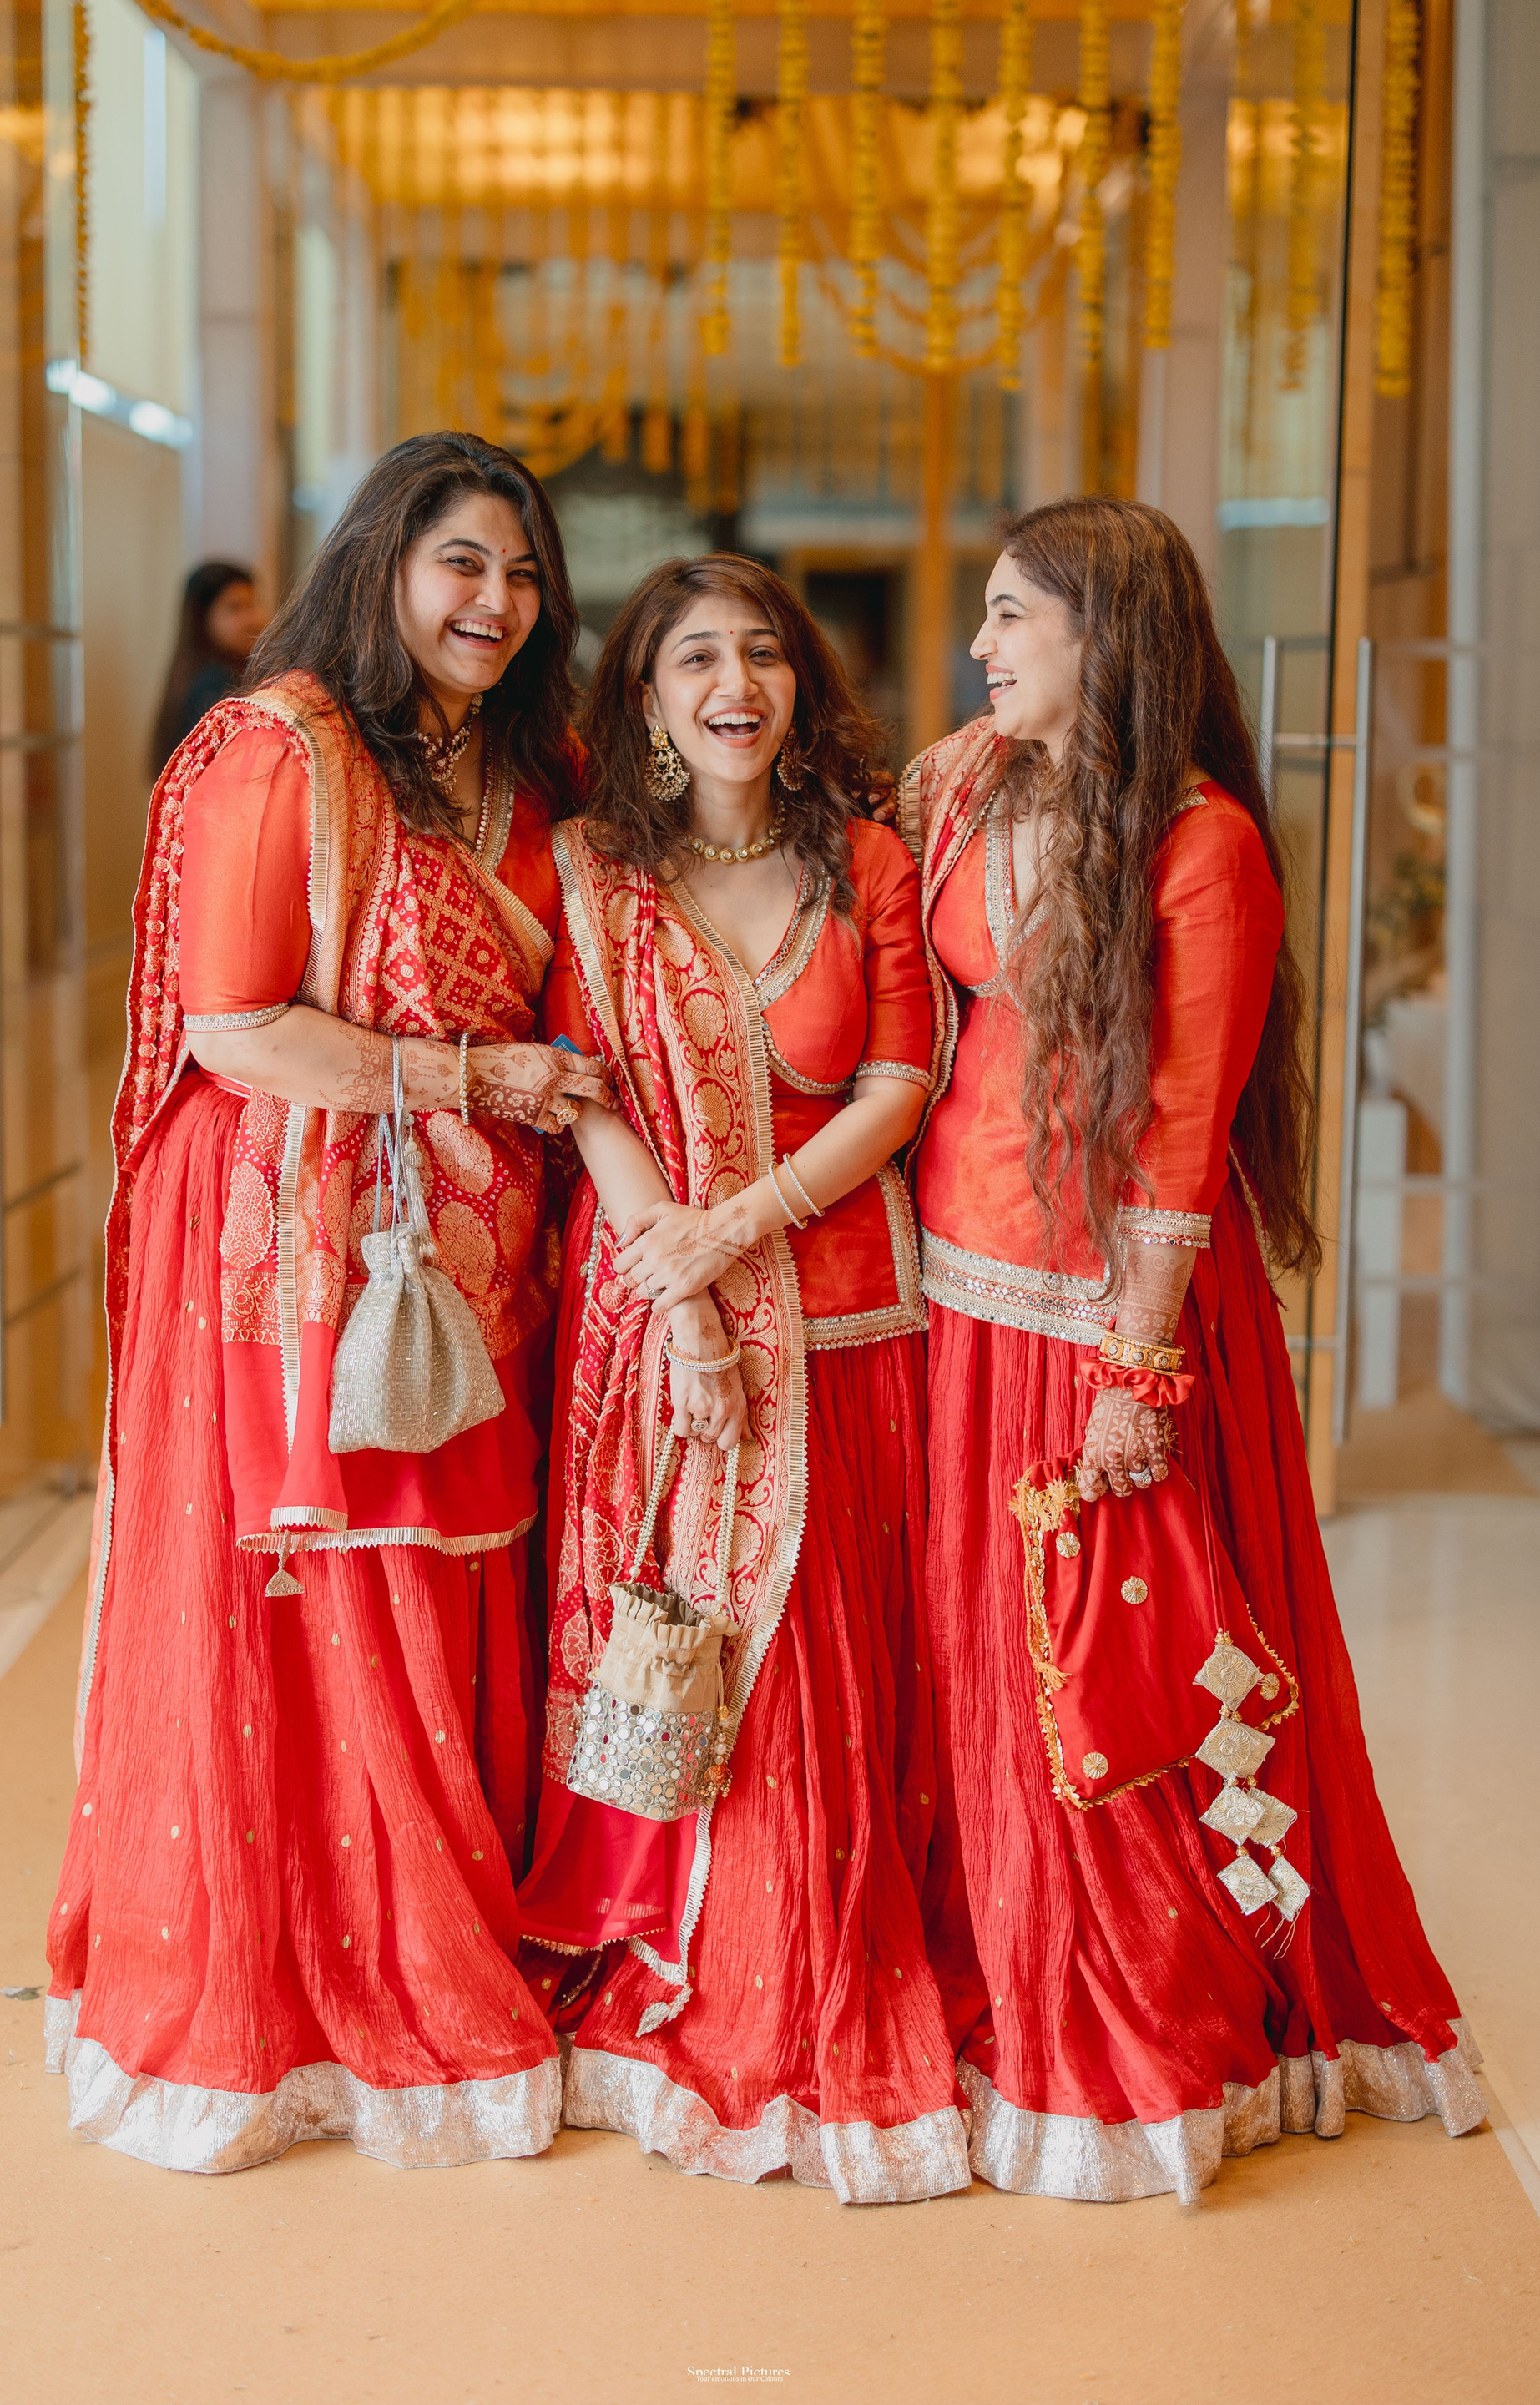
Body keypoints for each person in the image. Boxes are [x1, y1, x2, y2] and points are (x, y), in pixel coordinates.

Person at [45, 432, 613, 2173]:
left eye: (524, 573)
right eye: (463, 562)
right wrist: (474, 1079)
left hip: (478, 1236)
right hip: (292, 1230)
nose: (497, 601)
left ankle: (448, 1924)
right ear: (382, 561)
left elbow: (672, 823)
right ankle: (315, 1983)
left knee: (454, 1581)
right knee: (334, 1596)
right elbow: (236, 1028)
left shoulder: (540, 764)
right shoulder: (282, 745)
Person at [908, 497, 1481, 2205]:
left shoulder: (1201, 841)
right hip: (954, 1294)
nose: (981, 646)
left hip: (1101, 1317)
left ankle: (1132, 2028)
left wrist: (1134, 1372)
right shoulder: (972, 786)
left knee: (1114, 1673)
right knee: (980, 1666)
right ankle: (1001, 1967)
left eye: (1012, 615)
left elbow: (1178, 1134)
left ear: (1107, 634)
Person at [516, 556, 970, 2204]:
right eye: (696, 656)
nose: (736, 682)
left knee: (829, 1659)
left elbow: (900, 1085)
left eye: (764, 652)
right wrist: (687, 1286)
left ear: (801, 685)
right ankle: (681, 1951)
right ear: (644, 698)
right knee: (686, 1630)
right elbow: (583, 1092)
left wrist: (743, 1225)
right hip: (656, 1314)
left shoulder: (868, 861)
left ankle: (816, 1956)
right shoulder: (593, 873)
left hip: (847, 1316)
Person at [150, 560, 267, 776]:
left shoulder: (194, 676)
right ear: (202, 617)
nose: (254, 618)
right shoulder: (213, 684)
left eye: (252, 604)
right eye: (235, 608)